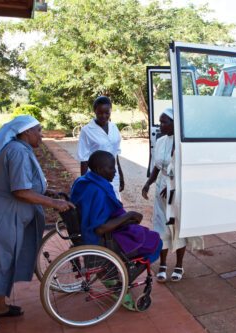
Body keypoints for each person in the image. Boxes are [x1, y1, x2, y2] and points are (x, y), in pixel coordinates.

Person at [0, 115, 74, 332]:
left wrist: (48, 191)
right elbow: (19, 191)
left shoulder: (21, 149)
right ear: (26, 133)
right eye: (38, 130)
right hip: (1, 217)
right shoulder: (18, 151)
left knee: (5, 262)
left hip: (5, 214)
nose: (41, 134)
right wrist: (53, 202)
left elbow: (25, 183)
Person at [71, 150, 162, 310]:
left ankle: (117, 276)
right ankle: (125, 279)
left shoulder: (83, 181)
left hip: (86, 230)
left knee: (141, 230)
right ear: (100, 170)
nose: (115, 172)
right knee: (155, 241)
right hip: (102, 238)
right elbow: (100, 228)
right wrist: (129, 216)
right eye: (112, 168)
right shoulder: (98, 191)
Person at [142, 108, 187, 282]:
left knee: (177, 227)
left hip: (178, 189)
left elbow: (185, 170)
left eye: (164, 122)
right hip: (161, 188)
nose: (160, 125)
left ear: (175, 123)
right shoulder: (160, 141)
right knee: (161, 227)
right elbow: (157, 166)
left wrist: (173, 186)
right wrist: (148, 183)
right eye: (160, 122)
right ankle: (162, 264)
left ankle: (179, 265)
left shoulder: (183, 143)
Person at [77, 96, 124, 199]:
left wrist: (121, 175)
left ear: (110, 111)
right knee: (100, 205)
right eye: (100, 113)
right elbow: (84, 160)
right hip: (96, 176)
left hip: (113, 174)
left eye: (107, 113)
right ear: (94, 111)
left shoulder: (114, 127)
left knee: (115, 203)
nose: (103, 116)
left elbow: (115, 153)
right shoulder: (87, 130)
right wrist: (84, 184)